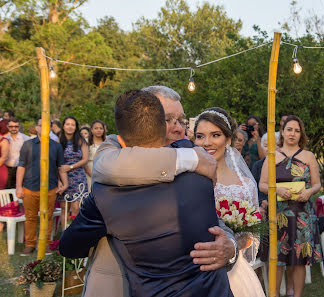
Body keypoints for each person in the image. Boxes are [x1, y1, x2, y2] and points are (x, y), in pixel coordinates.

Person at [59, 90, 233, 297]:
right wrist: (190, 158)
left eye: (181, 120)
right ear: (152, 120)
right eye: (169, 119)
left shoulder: (196, 161)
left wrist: (230, 246)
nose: (178, 128)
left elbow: (211, 219)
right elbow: (107, 164)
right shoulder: (194, 159)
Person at [193, 107, 265, 297]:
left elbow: (253, 230)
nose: (206, 142)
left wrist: (234, 243)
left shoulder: (245, 184)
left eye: (215, 135)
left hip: (234, 271)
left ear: (229, 140)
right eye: (200, 136)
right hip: (194, 267)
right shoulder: (187, 179)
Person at [259, 115, 322, 297]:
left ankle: (297, 295)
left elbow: (317, 184)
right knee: (277, 258)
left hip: (302, 214)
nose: (292, 133)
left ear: (300, 133)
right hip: (278, 215)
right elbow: (262, 184)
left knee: (299, 259)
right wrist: (277, 189)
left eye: (296, 130)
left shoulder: (308, 156)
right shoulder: (272, 156)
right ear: (283, 132)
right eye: (289, 130)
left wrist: (309, 192)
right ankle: (275, 294)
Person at [16, 119, 68, 255]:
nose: (43, 128)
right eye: (41, 125)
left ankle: (45, 243)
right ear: (36, 128)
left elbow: (60, 167)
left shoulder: (56, 146)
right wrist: (18, 187)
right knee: (31, 217)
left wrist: (64, 183)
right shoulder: (27, 145)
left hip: (50, 188)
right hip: (29, 186)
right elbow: (21, 166)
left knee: (47, 217)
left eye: (47, 126)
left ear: (51, 128)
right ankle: (30, 244)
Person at [58, 116, 88, 229]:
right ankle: (64, 234)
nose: (70, 127)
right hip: (63, 176)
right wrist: (58, 180)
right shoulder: (58, 141)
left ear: (76, 127)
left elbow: (85, 159)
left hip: (78, 176)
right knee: (64, 207)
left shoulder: (81, 141)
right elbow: (54, 161)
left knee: (76, 207)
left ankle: (75, 234)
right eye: (67, 124)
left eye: (73, 125)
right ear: (63, 126)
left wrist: (70, 167)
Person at [5, 117, 30, 189]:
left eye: (16, 126)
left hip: (21, 169)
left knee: (20, 190)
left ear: (19, 126)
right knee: (8, 190)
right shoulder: (5, 139)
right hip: (8, 169)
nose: (13, 128)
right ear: (7, 127)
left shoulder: (25, 139)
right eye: (11, 126)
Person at [84, 120, 106, 189]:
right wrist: (91, 174)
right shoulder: (86, 142)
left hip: (105, 173)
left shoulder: (107, 142)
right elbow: (84, 161)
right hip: (90, 172)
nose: (99, 130)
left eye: (101, 128)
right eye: (96, 128)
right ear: (91, 130)